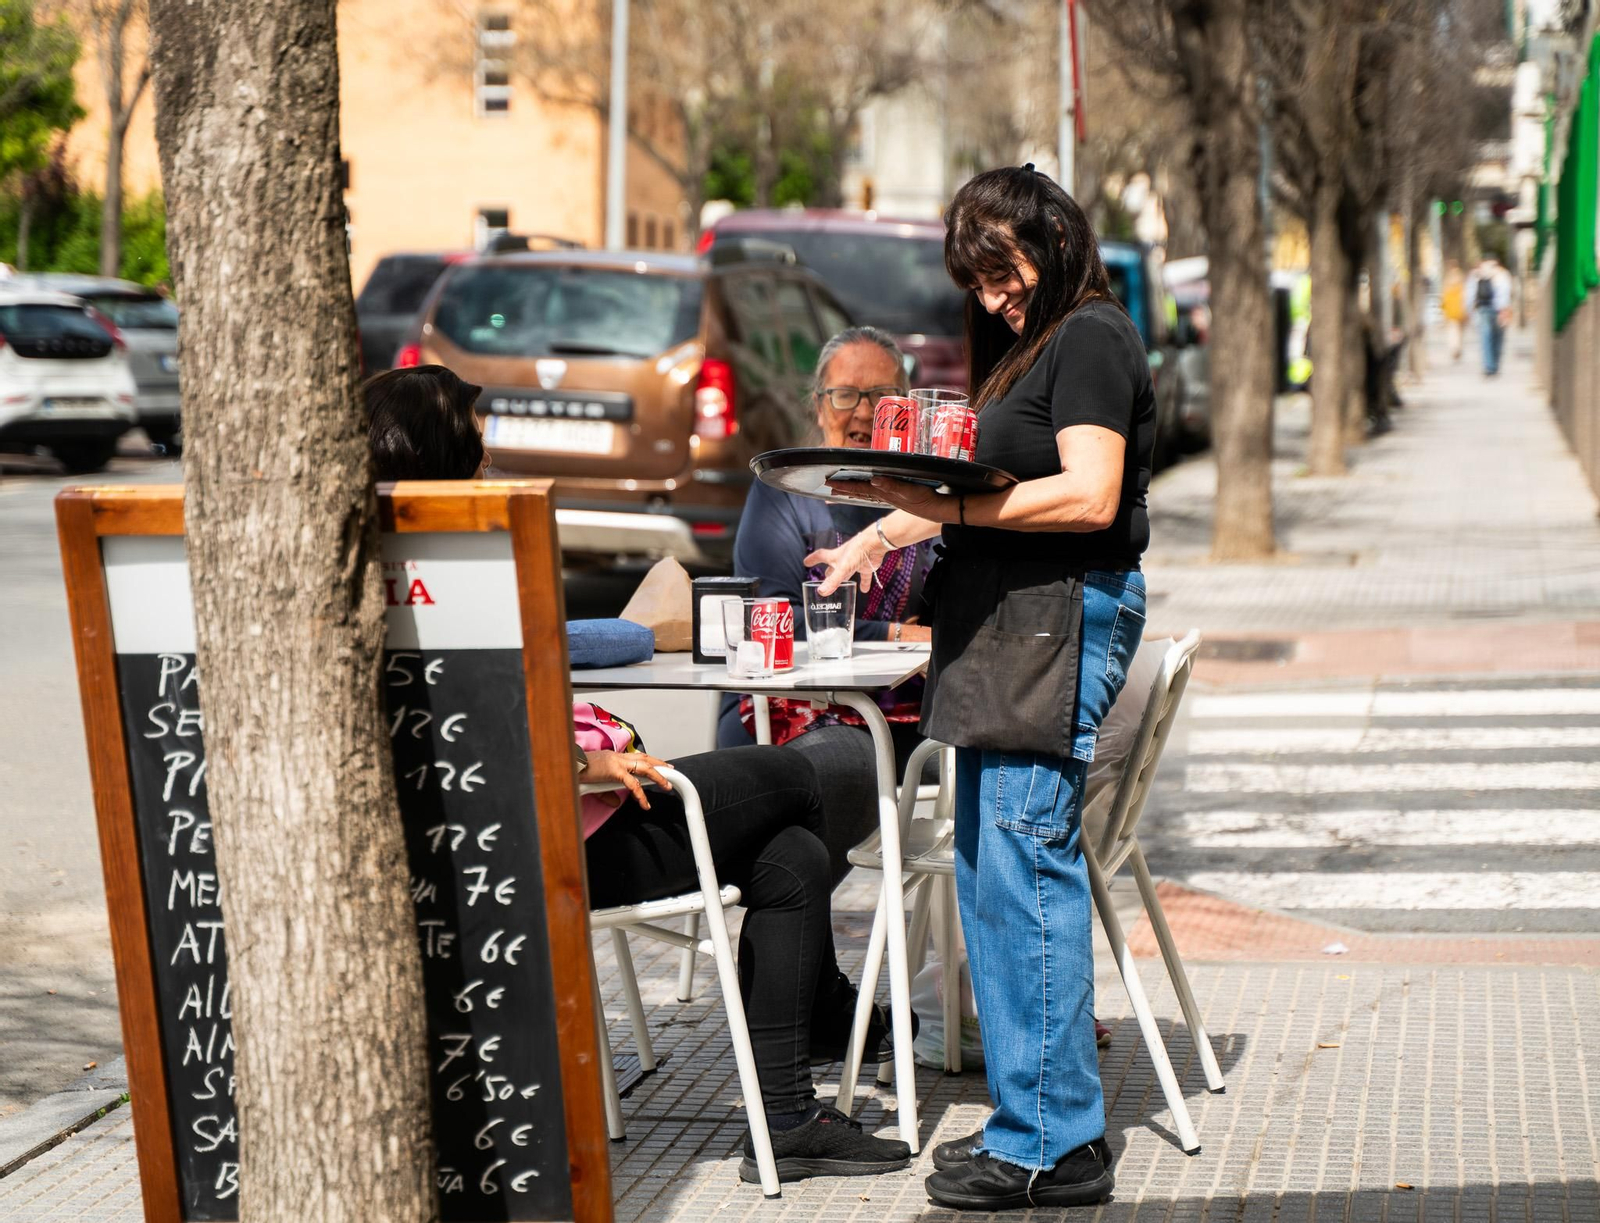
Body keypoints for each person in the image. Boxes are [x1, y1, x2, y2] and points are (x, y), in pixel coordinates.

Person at [363, 365, 912, 1185]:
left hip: (551, 820)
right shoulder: (461, 568)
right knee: (806, 778)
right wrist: (587, 761)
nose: (492, 471)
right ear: (445, 460)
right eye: (478, 456)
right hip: (562, 837)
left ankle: (790, 1118)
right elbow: (470, 731)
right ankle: (819, 1037)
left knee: (791, 856)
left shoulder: (381, 568)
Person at [810, 165, 1153, 1210]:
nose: (998, 295)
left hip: (1054, 614)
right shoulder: (1030, 349)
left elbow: (1089, 494)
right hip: (1014, 622)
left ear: (1053, 238)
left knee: (1020, 866)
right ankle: (1033, 1119)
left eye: (1006, 272)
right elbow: (984, 490)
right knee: (987, 871)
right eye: (979, 280)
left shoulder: (1088, 334)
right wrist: (879, 529)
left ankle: (1055, 1139)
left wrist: (943, 515)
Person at [720, 327, 1116, 1048]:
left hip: (910, 730)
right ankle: (812, 999)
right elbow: (769, 619)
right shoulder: (785, 497)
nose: (864, 410)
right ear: (818, 407)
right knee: (806, 785)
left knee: (830, 792)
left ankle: (817, 1002)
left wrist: (915, 632)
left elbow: (955, 608)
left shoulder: (935, 498)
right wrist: (899, 638)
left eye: (882, 394)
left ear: (907, 408)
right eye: (847, 393)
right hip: (783, 715)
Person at [1464, 254, 1513, 377]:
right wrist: (1505, 310)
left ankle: (1489, 366)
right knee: (1498, 339)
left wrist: (1469, 311)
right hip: (1499, 309)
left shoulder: (1477, 274)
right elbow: (1505, 293)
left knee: (1486, 338)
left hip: (1483, 309)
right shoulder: (1502, 274)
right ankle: (1494, 365)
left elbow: (1469, 295)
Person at [1440, 261, 1466, 362]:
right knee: (1459, 331)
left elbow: (1444, 297)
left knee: (1452, 330)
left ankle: (1454, 347)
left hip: (1451, 311)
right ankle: (1458, 347)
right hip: (1460, 310)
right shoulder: (1461, 279)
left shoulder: (1447, 280)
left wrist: (1443, 310)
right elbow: (1465, 295)